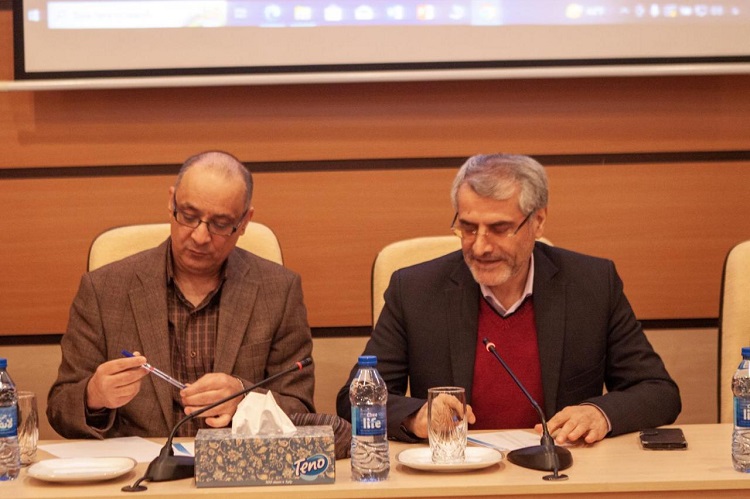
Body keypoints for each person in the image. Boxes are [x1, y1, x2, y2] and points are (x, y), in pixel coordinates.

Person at [336, 153, 680, 445]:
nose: (481, 246)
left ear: (538, 222)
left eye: (499, 229)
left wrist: (599, 413)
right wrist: (416, 417)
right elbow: (353, 398)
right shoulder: (415, 289)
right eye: (468, 228)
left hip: (560, 475)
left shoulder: (591, 284)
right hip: (455, 477)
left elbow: (658, 391)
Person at [48, 150, 315, 439]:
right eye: (189, 216)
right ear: (171, 201)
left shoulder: (279, 291)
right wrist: (94, 396)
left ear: (244, 221)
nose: (200, 236)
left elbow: (301, 410)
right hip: (142, 465)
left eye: (220, 224)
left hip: (238, 465)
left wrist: (245, 398)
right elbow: (60, 408)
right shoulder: (103, 289)